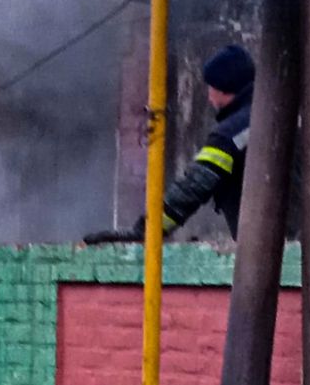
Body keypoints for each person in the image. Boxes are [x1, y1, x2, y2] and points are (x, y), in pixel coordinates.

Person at [87, 43, 253, 241]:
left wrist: (146, 230)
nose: (209, 95)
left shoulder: (228, 134)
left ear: (226, 87)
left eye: (211, 87)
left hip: (265, 247)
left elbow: (192, 188)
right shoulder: (271, 116)